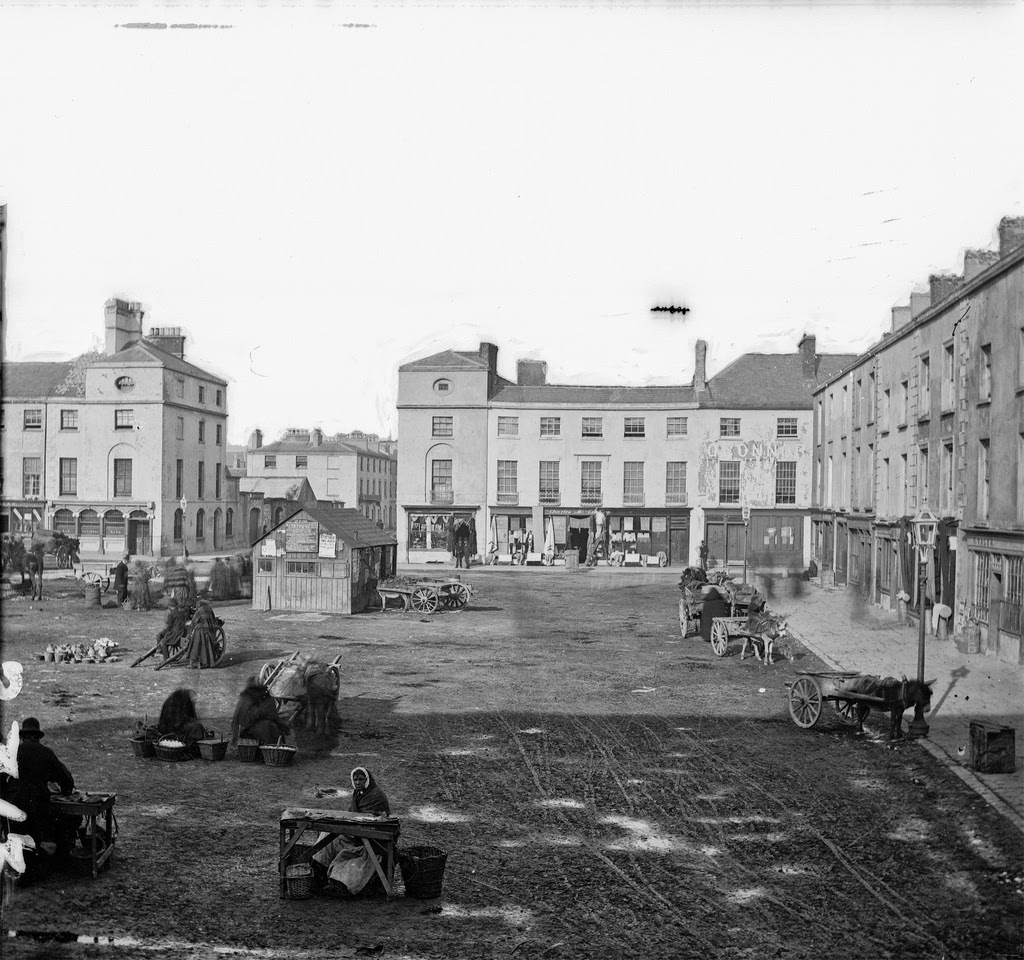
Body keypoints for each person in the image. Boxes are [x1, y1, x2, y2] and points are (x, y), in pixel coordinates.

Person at [0, 717, 78, 877]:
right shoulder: (46, 753)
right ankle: (51, 864)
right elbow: (66, 778)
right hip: (37, 804)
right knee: (47, 831)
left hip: (12, 805)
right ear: (37, 736)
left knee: (15, 837)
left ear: (22, 737)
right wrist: (66, 792)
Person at [312, 767, 395, 898]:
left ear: (367, 780)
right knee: (326, 835)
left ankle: (336, 881)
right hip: (358, 831)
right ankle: (318, 871)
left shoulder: (375, 795)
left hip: (373, 839)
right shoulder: (359, 793)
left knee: (347, 854)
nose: (357, 782)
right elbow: (352, 813)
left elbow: (370, 821)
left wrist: (348, 827)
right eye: (355, 779)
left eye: (361, 779)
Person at [157, 688, 208, 754]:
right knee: (197, 728)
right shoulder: (178, 704)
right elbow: (179, 723)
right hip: (175, 732)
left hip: (171, 730)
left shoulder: (177, 701)